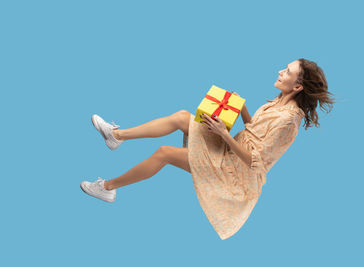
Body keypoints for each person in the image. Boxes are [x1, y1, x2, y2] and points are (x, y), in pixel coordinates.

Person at [80, 58, 336, 240]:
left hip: (235, 173)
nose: (281, 71)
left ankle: (107, 189)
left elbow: (256, 161)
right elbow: (254, 131)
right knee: (182, 116)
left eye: (287, 71)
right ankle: (116, 136)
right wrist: (241, 107)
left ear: (298, 86)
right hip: (230, 149)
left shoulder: (289, 121)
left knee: (164, 153)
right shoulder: (278, 102)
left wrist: (224, 134)